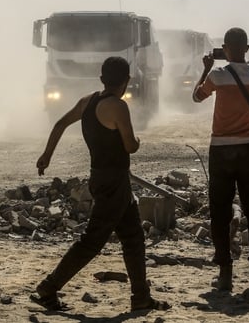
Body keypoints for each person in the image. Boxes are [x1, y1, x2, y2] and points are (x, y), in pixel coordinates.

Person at [32, 56, 170, 312]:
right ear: (127, 80)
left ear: (102, 79)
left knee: (133, 237)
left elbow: (60, 123)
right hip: (113, 183)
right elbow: (130, 146)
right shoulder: (118, 107)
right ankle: (48, 288)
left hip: (102, 178)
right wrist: (137, 140)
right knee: (92, 241)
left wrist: (47, 156)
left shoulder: (88, 101)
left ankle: (141, 297)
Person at [192, 27, 249, 292]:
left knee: (220, 213)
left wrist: (206, 69)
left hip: (221, 149)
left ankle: (225, 273)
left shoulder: (217, 75)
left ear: (225, 49)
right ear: (246, 49)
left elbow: (196, 96)